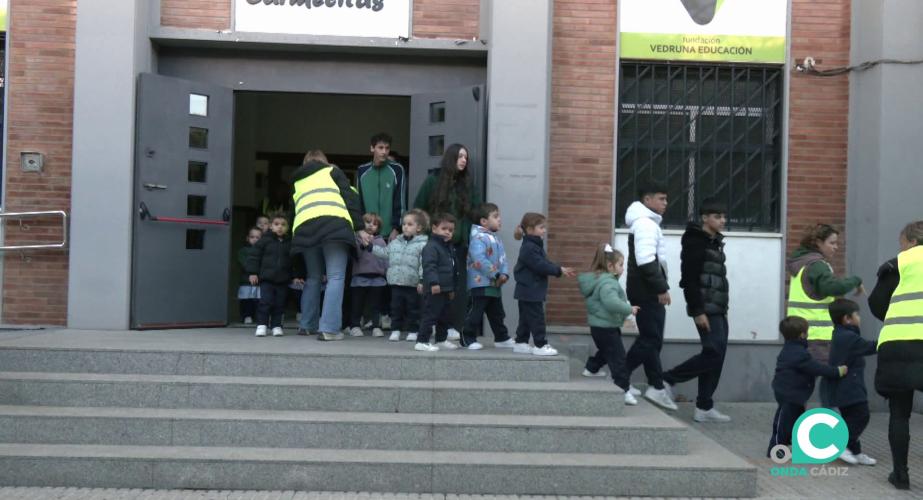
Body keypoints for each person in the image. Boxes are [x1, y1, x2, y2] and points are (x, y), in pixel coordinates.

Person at [661, 198, 731, 422]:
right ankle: (668, 379)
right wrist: (697, 310)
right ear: (705, 218)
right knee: (713, 352)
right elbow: (689, 280)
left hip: (718, 307)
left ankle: (704, 407)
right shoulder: (695, 241)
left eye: (723, 217)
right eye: (717, 217)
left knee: (717, 356)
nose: (722, 221)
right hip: (705, 307)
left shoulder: (714, 241)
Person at [871, 220, 923, 490]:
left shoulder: (898, 264)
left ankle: (900, 475)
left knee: (899, 412)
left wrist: (896, 318)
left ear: (912, 241)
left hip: (897, 344)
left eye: (902, 241)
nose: (900, 247)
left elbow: (876, 304)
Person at [292, 150, 364, 341]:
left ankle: (307, 325)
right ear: (325, 162)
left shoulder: (298, 181)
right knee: (336, 277)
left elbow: (295, 210)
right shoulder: (332, 171)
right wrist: (359, 228)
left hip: (305, 229)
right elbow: (350, 198)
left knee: (313, 277)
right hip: (334, 227)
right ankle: (329, 329)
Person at [414, 143, 482, 339]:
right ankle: (429, 327)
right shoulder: (433, 181)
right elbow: (419, 208)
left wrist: (469, 233)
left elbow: (477, 212)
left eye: (466, 158)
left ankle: (452, 326)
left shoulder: (468, 185)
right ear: (451, 158)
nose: (463, 160)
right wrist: (428, 231)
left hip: (459, 246)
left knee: (455, 289)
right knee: (434, 286)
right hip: (436, 245)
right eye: (460, 156)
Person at [624, 181, 676, 410]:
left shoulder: (646, 222)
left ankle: (656, 386)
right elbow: (646, 260)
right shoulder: (645, 224)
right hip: (647, 290)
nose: (666, 203)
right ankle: (620, 377)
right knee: (651, 338)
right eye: (661, 198)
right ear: (647, 200)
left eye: (666, 199)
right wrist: (661, 288)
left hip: (643, 289)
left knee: (651, 339)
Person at [767, 316, 847, 458]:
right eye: (807, 331)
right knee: (783, 421)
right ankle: (776, 448)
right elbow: (816, 368)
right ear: (802, 335)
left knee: (794, 419)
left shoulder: (790, 348)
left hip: (791, 393)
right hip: (790, 394)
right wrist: (837, 371)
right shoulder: (800, 354)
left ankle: (790, 443)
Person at [579, 243, 639, 406]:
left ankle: (591, 368)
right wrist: (629, 309)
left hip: (600, 326)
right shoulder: (609, 283)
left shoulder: (600, 279)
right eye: (621, 265)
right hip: (606, 327)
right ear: (610, 266)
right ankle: (623, 390)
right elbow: (611, 302)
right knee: (618, 358)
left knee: (607, 351)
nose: (623, 268)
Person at [823, 298, 877, 466]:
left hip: (846, 385)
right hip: (848, 387)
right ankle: (842, 444)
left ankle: (855, 451)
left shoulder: (842, 334)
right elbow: (871, 346)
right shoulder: (847, 337)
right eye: (857, 315)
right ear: (847, 318)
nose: (859, 318)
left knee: (850, 416)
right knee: (861, 415)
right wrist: (891, 339)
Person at [512, 212, 574, 356]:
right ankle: (540, 344)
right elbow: (540, 265)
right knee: (537, 318)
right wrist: (558, 270)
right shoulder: (529, 247)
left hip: (528, 290)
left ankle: (521, 342)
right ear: (529, 229)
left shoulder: (533, 245)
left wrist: (560, 269)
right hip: (530, 290)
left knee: (526, 318)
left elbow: (544, 263)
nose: (544, 230)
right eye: (541, 227)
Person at [461, 203, 515, 350]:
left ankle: (501, 338)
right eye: (495, 216)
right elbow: (479, 259)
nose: (500, 219)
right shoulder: (478, 238)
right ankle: (467, 338)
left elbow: (503, 259)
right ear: (484, 221)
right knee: (475, 312)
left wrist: (503, 273)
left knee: (497, 313)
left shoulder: (496, 239)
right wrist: (496, 273)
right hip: (480, 283)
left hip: (494, 284)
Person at [373, 209, 429, 342]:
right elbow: (385, 253)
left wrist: (422, 280)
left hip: (412, 283)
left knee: (413, 309)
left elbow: (424, 264)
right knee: (396, 308)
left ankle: (413, 330)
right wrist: (371, 248)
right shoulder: (395, 242)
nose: (405, 227)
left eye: (410, 224)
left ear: (419, 228)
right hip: (396, 282)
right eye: (404, 224)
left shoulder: (423, 244)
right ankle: (395, 330)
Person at [246, 216, 302, 337]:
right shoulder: (264, 240)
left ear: (288, 228)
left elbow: (295, 261)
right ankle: (262, 325)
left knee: (280, 303)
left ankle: (277, 326)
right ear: (271, 226)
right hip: (266, 279)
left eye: (283, 224)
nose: (280, 227)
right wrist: (253, 272)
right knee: (265, 302)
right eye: (276, 224)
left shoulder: (290, 243)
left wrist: (296, 275)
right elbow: (254, 256)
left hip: (283, 279)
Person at [415, 213, 459, 352]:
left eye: (451, 230)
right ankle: (422, 341)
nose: (447, 232)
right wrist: (434, 283)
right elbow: (429, 266)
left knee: (444, 316)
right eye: (444, 228)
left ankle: (441, 339)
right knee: (430, 315)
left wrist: (452, 288)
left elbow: (452, 269)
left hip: (446, 289)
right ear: (434, 229)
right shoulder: (431, 247)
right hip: (435, 288)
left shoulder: (448, 247)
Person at [357, 132, 406, 242]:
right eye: (380, 148)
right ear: (372, 148)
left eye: (387, 148)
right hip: (367, 233)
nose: (384, 152)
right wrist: (360, 228)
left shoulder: (397, 169)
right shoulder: (362, 171)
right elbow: (358, 202)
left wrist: (397, 228)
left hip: (390, 234)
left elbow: (401, 201)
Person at [347, 213, 388, 338]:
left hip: (377, 278)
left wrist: (387, 273)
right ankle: (355, 326)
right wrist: (362, 244)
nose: (371, 225)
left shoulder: (381, 241)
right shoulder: (356, 238)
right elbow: (354, 255)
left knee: (375, 305)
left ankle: (376, 326)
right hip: (360, 277)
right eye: (368, 222)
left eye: (375, 224)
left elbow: (386, 259)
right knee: (357, 304)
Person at [237, 227, 262, 325]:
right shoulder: (243, 251)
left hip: (259, 281)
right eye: (252, 237)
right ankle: (246, 316)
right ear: (247, 238)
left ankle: (257, 316)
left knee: (258, 300)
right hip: (246, 280)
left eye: (258, 237)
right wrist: (253, 271)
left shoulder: (263, 251)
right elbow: (244, 263)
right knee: (246, 300)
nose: (255, 239)